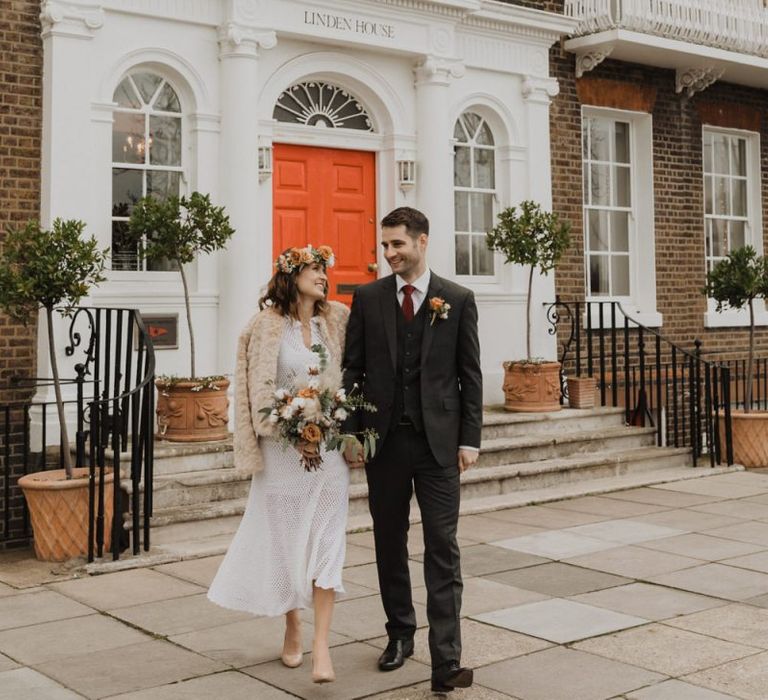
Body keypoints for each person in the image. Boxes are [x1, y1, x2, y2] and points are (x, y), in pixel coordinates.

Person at [342, 207, 483, 693]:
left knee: (442, 548)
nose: (389, 253)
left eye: (397, 244)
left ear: (422, 241)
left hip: (439, 445)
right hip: (384, 444)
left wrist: (470, 438)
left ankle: (447, 659)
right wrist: (351, 432)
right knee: (389, 542)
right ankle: (399, 634)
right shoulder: (368, 298)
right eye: (385, 245)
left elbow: (470, 375)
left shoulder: (458, 299)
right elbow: (352, 372)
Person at [208, 245, 350, 684]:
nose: (323, 276)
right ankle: (293, 624)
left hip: (327, 454)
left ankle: (322, 647)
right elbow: (253, 390)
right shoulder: (264, 327)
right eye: (314, 269)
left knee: (328, 543)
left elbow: (353, 377)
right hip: (281, 454)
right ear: (291, 275)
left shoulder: (337, 320)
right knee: (288, 542)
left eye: (325, 270)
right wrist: (284, 428)